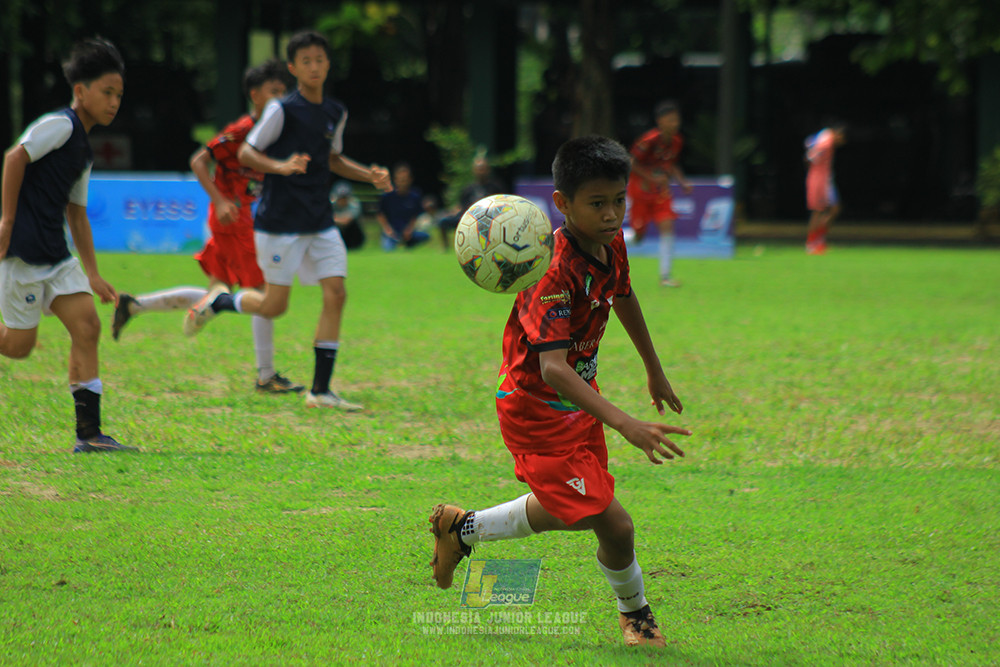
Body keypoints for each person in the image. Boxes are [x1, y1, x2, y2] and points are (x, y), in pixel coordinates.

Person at [428, 136, 691, 648]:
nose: (613, 214)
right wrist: (625, 422)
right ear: (562, 203)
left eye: (620, 200)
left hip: (577, 402)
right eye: (598, 204)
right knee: (611, 520)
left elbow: (623, 295)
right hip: (536, 410)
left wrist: (653, 369)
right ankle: (636, 616)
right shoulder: (551, 268)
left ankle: (463, 529)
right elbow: (552, 369)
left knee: (588, 510)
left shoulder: (610, 243)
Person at [183, 30, 392, 412]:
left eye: (320, 59)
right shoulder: (281, 109)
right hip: (279, 223)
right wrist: (281, 166)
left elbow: (332, 158)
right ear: (294, 68)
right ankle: (220, 303)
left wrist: (369, 175)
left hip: (320, 220)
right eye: (306, 61)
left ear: (328, 64)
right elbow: (246, 153)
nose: (314, 66)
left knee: (337, 293)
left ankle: (320, 391)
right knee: (274, 306)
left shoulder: (335, 112)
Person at [111, 61, 304, 394]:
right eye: (274, 92)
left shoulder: (273, 133)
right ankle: (266, 376)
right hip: (232, 219)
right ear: (255, 95)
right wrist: (220, 200)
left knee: (220, 291)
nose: (280, 98)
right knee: (262, 294)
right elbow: (199, 160)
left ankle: (134, 305)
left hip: (241, 218)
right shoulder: (243, 130)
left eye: (283, 93)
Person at [0, 37, 134, 452]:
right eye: (107, 92)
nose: (114, 102)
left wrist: (92, 273)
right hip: (22, 253)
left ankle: (89, 435)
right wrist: (7, 219)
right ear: (81, 91)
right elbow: (13, 158)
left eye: (119, 95)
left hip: (56, 257)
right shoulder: (59, 125)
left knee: (88, 326)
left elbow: (76, 213)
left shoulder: (84, 151)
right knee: (18, 348)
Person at [626, 100, 692, 288]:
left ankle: (665, 277)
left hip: (660, 192)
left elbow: (669, 164)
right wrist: (651, 178)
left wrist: (682, 182)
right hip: (640, 191)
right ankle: (605, 241)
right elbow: (631, 162)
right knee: (638, 237)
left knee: (667, 226)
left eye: (676, 120)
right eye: (670, 120)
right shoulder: (648, 140)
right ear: (660, 121)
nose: (674, 124)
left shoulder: (677, 141)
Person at [437, 155, 505, 251]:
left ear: (488, 170)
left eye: (483, 169)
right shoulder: (468, 188)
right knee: (443, 220)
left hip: (489, 219)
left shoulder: (495, 187)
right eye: (478, 169)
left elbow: (502, 205)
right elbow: (460, 205)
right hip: (467, 218)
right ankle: (446, 248)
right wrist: (452, 211)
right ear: (474, 170)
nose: (481, 172)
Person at [804, 124, 846, 255]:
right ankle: (812, 243)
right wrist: (815, 174)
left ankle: (818, 239)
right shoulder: (826, 141)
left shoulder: (823, 136)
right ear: (838, 135)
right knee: (818, 210)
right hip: (820, 179)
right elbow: (810, 156)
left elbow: (808, 143)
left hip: (825, 179)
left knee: (833, 209)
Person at [376, 162, 429, 250]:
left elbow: (415, 215)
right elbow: (380, 214)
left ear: (410, 179)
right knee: (388, 249)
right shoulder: (387, 196)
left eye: (405, 179)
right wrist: (388, 229)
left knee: (425, 236)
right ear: (395, 180)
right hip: (392, 232)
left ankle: (408, 245)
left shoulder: (415, 196)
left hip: (409, 232)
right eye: (401, 179)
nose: (403, 182)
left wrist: (409, 229)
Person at [330, 181, 365, 250]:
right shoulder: (330, 204)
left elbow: (346, 221)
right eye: (341, 198)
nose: (343, 200)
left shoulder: (354, 203)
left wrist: (334, 218)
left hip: (352, 235)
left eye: (345, 197)